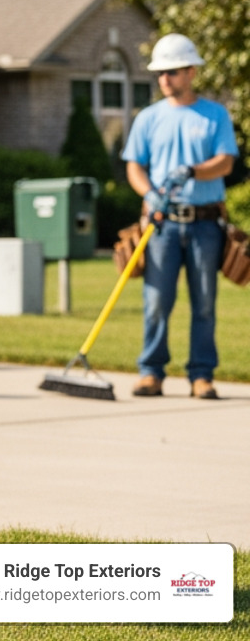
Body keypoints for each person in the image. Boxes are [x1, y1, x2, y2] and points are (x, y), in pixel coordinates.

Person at [123, 33, 239, 400]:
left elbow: (225, 162)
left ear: (190, 72)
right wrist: (150, 193)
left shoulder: (214, 115)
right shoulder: (148, 118)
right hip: (162, 225)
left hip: (205, 224)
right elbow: (134, 167)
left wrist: (191, 171)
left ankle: (201, 375)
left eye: (172, 72)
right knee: (157, 300)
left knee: (204, 302)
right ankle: (151, 372)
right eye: (160, 73)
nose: (164, 80)